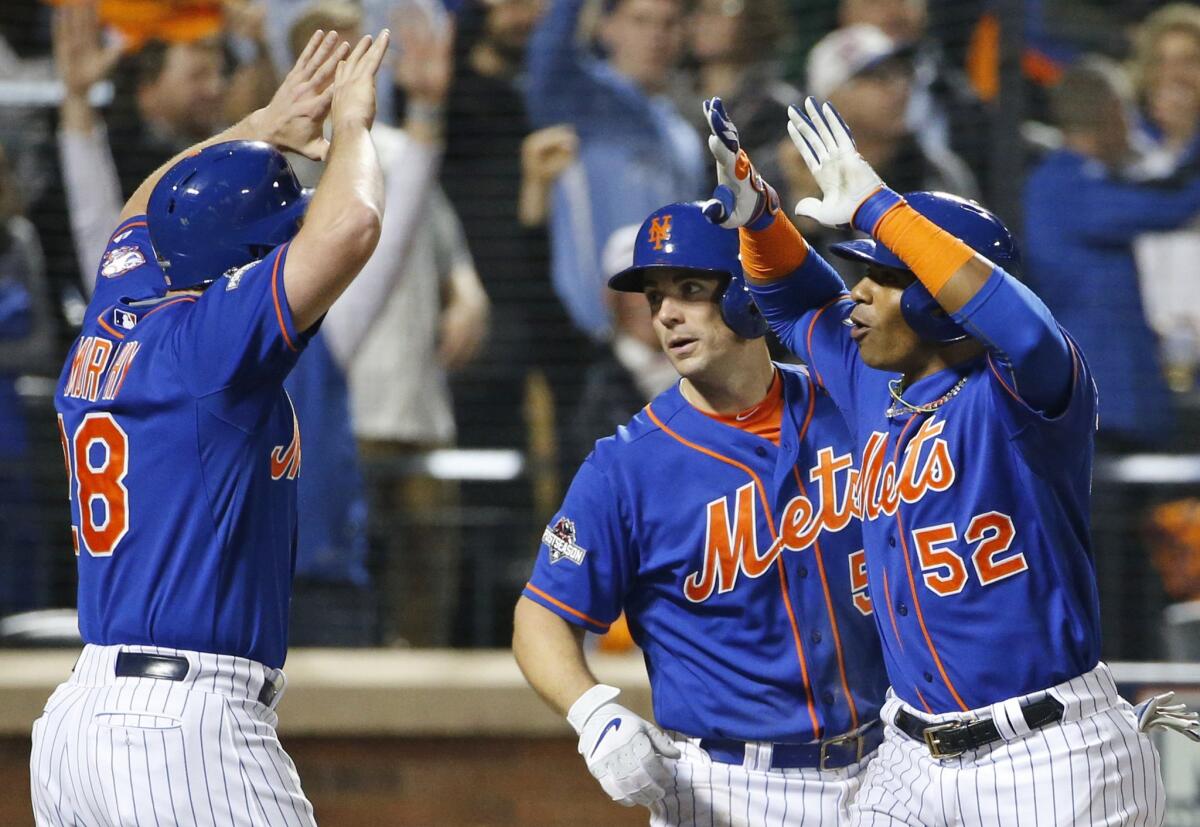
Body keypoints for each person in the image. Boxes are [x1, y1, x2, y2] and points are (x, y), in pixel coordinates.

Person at [700, 93, 1174, 823]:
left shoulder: (1025, 390)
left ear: (937, 302)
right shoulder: (873, 380)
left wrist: (882, 208)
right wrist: (760, 219)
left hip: (1048, 755)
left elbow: (1023, 327)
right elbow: (794, 304)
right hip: (909, 755)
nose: (856, 292)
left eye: (882, 278)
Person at [32, 27, 390, 824]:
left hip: (79, 722)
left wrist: (258, 125)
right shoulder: (212, 343)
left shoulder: (115, 311)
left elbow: (140, 208)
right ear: (241, 263)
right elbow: (352, 226)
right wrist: (355, 129)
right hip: (182, 730)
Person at [513, 200, 888, 824]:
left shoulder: (846, 401)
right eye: (655, 296)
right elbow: (540, 617)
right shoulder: (626, 466)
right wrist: (593, 712)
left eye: (690, 289)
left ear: (746, 294)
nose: (666, 314)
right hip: (727, 788)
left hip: (887, 772)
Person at [1025, 58, 1200, 450]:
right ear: (1112, 113)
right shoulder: (1064, 185)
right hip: (1101, 406)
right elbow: (1170, 202)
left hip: (1108, 404)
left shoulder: (1066, 181)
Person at [525, 0, 707, 340]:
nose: (656, 36)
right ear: (605, 28)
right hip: (587, 339)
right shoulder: (576, 99)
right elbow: (550, 46)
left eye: (668, 24)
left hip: (667, 339)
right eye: (641, 21)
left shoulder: (684, 135)